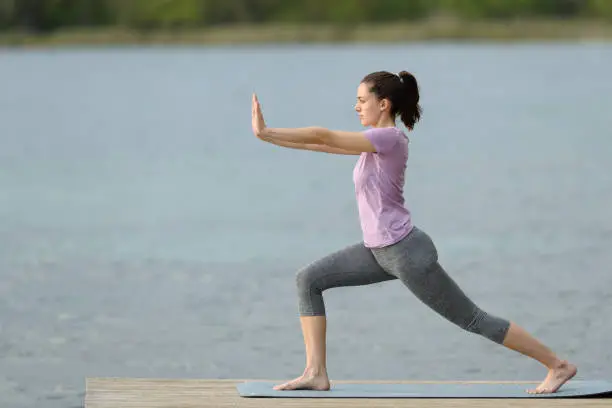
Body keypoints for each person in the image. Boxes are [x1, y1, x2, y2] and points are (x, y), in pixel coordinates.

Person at [250, 70, 577, 395]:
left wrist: (269, 129)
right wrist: (266, 136)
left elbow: (322, 136)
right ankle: (315, 372)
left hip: (406, 254)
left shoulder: (389, 139)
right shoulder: (371, 144)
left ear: (384, 104)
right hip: (377, 252)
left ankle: (557, 365)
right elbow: (319, 146)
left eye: (362, 100)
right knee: (308, 280)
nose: (356, 107)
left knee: (473, 320)